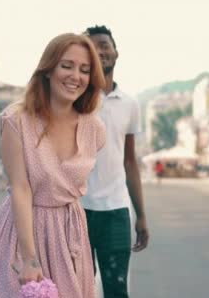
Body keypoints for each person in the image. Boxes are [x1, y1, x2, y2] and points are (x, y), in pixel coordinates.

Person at [0, 33, 106, 298]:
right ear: (48, 69)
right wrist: (30, 258)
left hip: (70, 233)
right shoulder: (17, 120)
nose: (76, 76)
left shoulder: (94, 128)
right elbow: (20, 188)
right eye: (67, 65)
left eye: (85, 70)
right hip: (24, 231)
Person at [82, 25, 149, 297]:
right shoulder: (77, 99)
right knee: (79, 289)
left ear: (116, 52)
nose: (100, 50)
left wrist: (141, 214)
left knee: (117, 290)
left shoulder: (130, 103)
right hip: (78, 210)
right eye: (92, 46)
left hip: (116, 211)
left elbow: (129, 161)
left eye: (105, 45)